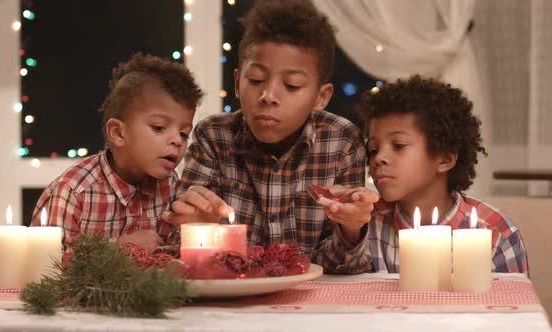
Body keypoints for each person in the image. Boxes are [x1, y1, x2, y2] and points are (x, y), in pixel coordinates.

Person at [162, 0, 378, 274]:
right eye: (255, 80)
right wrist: (192, 227)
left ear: (321, 97)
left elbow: (339, 267)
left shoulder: (342, 141)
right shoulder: (213, 137)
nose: (268, 96)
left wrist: (351, 228)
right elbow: (179, 250)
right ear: (238, 83)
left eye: (292, 85)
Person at [30, 53, 203, 261]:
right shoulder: (75, 191)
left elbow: (175, 257)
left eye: (184, 133)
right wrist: (118, 249)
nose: (177, 140)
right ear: (118, 133)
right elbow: (46, 265)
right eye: (159, 127)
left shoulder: (171, 185)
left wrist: (195, 230)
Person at [359, 75, 528, 273]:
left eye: (398, 145)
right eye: (373, 149)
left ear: (445, 158)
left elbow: (513, 303)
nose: (379, 158)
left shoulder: (495, 233)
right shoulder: (364, 225)